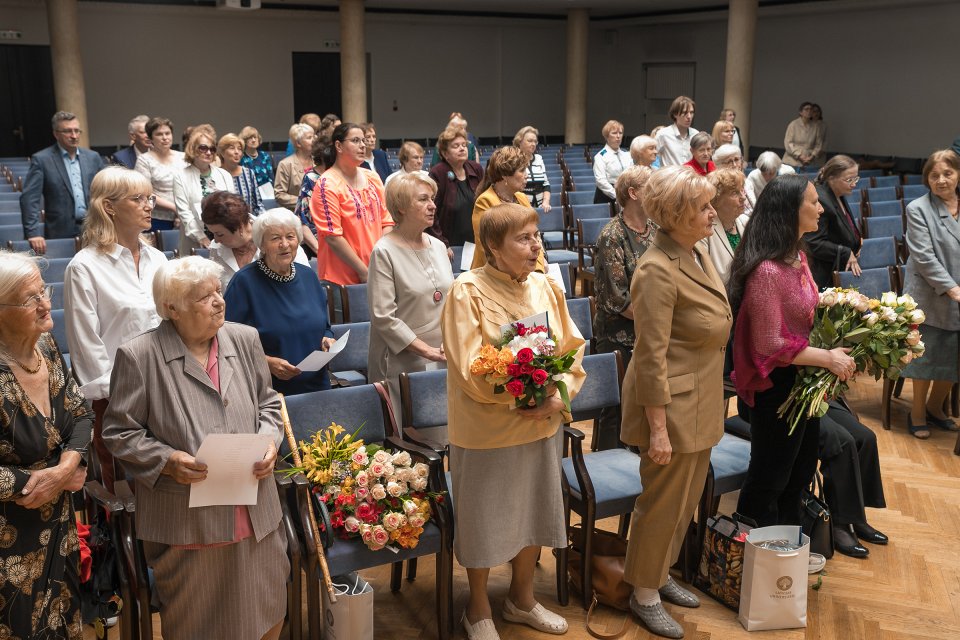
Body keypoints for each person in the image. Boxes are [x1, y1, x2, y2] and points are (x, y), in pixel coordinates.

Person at [102, 256, 288, 640]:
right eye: (204, 297)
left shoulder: (244, 338)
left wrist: (271, 439)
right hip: (190, 520)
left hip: (257, 513)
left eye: (218, 291)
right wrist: (166, 460)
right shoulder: (139, 356)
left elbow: (269, 403)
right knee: (200, 626)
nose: (219, 301)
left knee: (269, 615)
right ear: (172, 308)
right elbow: (119, 432)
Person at [442, 203, 585, 640]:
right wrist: (524, 395)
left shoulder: (546, 286)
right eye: (523, 239)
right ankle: (478, 606)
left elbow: (572, 347)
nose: (535, 245)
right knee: (484, 518)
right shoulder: (466, 291)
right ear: (492, 247)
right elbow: (469, 367)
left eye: (536, 235)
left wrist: (557, 400)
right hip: (487, 430)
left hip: (541, 425)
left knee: (534, 510)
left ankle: (523, 599)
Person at [618, 166, 729, 639]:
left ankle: (660, 575)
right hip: (668, 406)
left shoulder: (696, 251)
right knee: (660, 504)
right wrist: (658, 430)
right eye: (704, 207)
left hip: (702, 398)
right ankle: (642, 593)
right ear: (678, 214)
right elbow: (649, 358)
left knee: (685, 499)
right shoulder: (656, 270)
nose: (712, 214)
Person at [729, 175, 855, 573]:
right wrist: (828, 358)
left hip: (804, 379)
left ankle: (787, 552)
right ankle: (749, 560)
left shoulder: (797, 256)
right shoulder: (767, 270)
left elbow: (807, 314)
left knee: (800, 471)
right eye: (814, 203)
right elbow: (769, 343)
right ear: (789, 210)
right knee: (770, 476)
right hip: (776, 384)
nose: (821, 209)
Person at [0, 251, 92, 639]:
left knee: (63, 623)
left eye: (44, 291)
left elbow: (80, 413)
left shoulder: (48, 346)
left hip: (58, 524)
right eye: (29, 298)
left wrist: (65, 469)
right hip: (9, 537)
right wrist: (38, 482)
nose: (45, 304)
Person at [64, 166, 166, 491]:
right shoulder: (85, 266)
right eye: (138, 199)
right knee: (130, 495)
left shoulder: (159, 259)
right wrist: (123, 399)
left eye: (150, 198)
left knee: (174, 487)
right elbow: (86, 346)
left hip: (168, 387)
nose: (149, 205)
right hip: (119, 401)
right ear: (109, 206)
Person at [225, 209, 335, 395]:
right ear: (262, 245)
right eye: (275, 238)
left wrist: (327, 338)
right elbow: (226, 340)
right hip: (269, 391)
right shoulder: (244, 282)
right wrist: (266, 362)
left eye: (290, 237)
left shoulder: (308, 276)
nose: (285, 244)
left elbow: (325, 325)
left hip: (318, 386)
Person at [368, 173, 454, 407]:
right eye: (423, 199)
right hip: (402, 361)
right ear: (402, 207)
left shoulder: (437, 246)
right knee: (411, 435)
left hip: (443, 353)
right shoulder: (383, 251)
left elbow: (449, 300)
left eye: (433, 198)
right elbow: (383, 318)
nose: (432, 205)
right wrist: (427, 351)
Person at [592, 165, 656, 450]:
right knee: (617, 408)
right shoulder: (612, 236)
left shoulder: (655, 229)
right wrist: (658, 322)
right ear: (633, 193)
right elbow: (618, 299)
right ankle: (606, 471)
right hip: (619, 335)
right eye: (651, 186)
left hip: (651, 330)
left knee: (649, 404)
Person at [902, 150, 960, 439]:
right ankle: (917, 413)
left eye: (948, 173)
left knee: (953, 357)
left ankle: (936, 409)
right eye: (934, 175)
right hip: (929, 295)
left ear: (958, 174)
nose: (941, 180)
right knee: (925, 358)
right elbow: (924, 257)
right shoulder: (918, 208)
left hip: (957, 293)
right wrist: (953, 288)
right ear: (926, 178)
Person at [310, 123, 394, 287]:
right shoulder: (327, 184)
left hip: (377, 270)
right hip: (341, 280)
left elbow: (387, 221)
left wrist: (377, 261)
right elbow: (333, 237)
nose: (363, 145)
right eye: (355, 140)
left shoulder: (373, 178)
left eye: (363, 140)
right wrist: (363, 271)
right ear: (339, 146)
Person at [20, 111, 106, 254]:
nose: (74, 135)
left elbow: (106, 192)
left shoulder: (93, 157)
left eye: (77, 130)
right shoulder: (42, 159)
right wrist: (33, 233)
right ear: (56, 134)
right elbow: (29, 199)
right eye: (68, 131)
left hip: (93, 227)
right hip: (59, 230)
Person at [203, 193, 309, 290]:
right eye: (213, 234)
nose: (216, 240)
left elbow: (305, 283)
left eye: (220, 234)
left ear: (240, 228)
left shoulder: (281, 241)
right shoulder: (217, 249)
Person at [469, 146, 545, 272]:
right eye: (521, 171)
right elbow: (488, 249)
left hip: (525, 272)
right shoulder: (485, 201)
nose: (526, 176)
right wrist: (524, 270)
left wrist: (538, 268)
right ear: (504, 175)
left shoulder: (522, 198)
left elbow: (536, 238)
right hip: (495, 276)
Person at [173, 125, 234, 255]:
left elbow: (233, 207)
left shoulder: (224, 175)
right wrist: (201, 237)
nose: (208, 152)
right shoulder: (180, 176)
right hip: (195, 241)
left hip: (224, 239)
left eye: (212, 149)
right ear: (193, 149)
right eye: (203, 148)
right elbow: (184, 213)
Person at [805, 155, 862, 290]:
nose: (854, 184)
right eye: (849, 180)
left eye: (856, 178)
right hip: (823, 275)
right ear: (831, 178)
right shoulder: (822, 199)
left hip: (835, 270)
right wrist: (845, 252)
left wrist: (856, 239)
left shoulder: (838, 194)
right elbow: (814, 242)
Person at [427, 127, 483, 247]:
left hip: (476, 242)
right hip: (449, 243)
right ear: (445, 153)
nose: (462, 148)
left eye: (464, 145)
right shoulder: (438, 173)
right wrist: (442, 244)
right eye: (456, 146)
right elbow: (431, 212)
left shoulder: (476, 169)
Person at [135, 117, 185, 231]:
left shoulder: (183, 157)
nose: (165, 138)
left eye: (167, 133)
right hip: (157, 218)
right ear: (151, 138)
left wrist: (181, 210)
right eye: (159, 134)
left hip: (184, 215)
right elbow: (145, 192)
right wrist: (174, 208)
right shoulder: (144, 160)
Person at [700, 168, 748, 285]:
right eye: (735, 193)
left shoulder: (746, 222)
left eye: (742, 190)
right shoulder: (704, 231)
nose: (743, 197)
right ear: (716, 199)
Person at [292, 136, 329, 258]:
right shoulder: (311, 178)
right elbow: (303, 221)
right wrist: (320, 252)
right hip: (319, 246)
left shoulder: (344, 176)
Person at [218, 133, 265, 216]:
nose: (237, 152)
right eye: (232, 148)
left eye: (239, 149)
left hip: (248, 223)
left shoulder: (249, 173)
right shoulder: (217, 175)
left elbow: (258, 205)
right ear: (222, 153)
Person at [274, 123, 316, 211]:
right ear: (298, 143)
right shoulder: (285, 164)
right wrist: (306, 201)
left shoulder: (319, 161)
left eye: (314, 137)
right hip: (295, 214)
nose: (314, 140)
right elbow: (280, 195)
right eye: (309, 138)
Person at [592, 120, 632, 204]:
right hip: (607, 197)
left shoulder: (627, 154)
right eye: (614, 133)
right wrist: (617, 196)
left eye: (620, 133)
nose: (618, 136)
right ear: (607, 136)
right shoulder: (600, 156)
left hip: (625, 194)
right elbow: (600, 181)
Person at [513, 125, 552, 211]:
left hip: (542, 208)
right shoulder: (513, 159)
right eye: (530, 141)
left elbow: (546, 185)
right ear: (519, 142)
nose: (533, 144)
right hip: (520, 208)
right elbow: (513, 188)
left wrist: (546, 202)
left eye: (535, 141)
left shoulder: (539, 158)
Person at [655, 96, 698, 167]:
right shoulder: (663, 134)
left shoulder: (696, 134)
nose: (689, 116)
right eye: (685, 112)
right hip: (670, 177)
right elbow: (652, 159)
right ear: (675, 114)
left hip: (690, 176)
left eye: (691, 112)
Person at [782, 102, 826, 168]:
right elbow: (788, 143)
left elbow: (818, 144)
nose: (809, 111)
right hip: (792, 161)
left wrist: (812, 156)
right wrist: (799, 155)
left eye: (811, 109)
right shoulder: (793, 124)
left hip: (809, 161)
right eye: (806, 109)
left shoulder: (816, 126)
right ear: (801, 112)